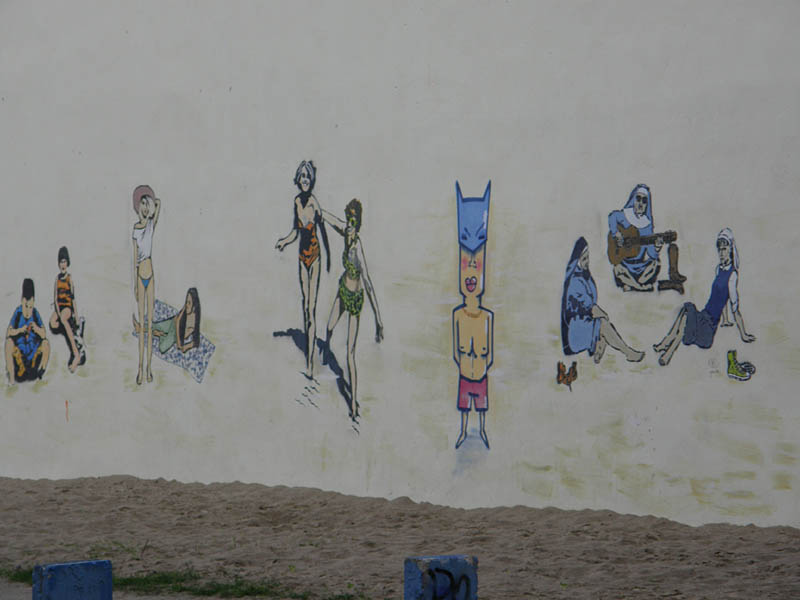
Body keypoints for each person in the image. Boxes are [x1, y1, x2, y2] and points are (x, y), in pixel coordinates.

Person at [654, 228, 755, 366]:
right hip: (704, 316)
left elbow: (735, 307)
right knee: (686, 309)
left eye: (724, 249)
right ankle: (666, 345)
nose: (721, 253)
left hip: (708, 327)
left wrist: (743, 335)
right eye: (719, 250)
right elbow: (722, 298)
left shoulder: (732, 275)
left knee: (688, 311)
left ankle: (668, 350)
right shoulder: (719, 269)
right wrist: (725, 319)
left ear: (731, 250)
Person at [322, 198, 383, 421]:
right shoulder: (344, 231)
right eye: (348, 220)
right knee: (329, 327)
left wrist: (378, 320)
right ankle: (326, 348)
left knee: (350, 353)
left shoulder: (358, 250)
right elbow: (329, 218)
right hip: (343, 291)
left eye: (353, 222)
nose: (349, 225)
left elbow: (368, 284)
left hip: (355, 300)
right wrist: (317, 207)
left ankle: (354, 403)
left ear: (358, 225)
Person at [276, 161, 330, 379]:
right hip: (302, 258)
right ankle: (309, 355)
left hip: (315, 257)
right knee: (304, 307)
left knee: (311, 309)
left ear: (312, 180)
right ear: (298, 180)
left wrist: (328, 258)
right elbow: (295, 232)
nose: (305, 180)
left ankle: (310, 365)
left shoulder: (314, 203)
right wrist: (284, 241)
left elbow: (323, 230)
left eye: (308, 176)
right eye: (302, 176)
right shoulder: (297, 202)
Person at [452, 182, 494, 449]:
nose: (470, 270)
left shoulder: (487, 317)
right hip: (466, 372)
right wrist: (465, 364)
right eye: (466, 263)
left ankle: (482, 430)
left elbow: (491, 353)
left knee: (481, 406)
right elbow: (454, 352)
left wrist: (482, 364)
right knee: (464, 407)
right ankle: (463, 431)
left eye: (476, 263)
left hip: (479, 372)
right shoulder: (458, 315)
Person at [561, 237, 645, 363]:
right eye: (584, 259)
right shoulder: (575, 281)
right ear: (577, 261)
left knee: (603, 324)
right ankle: (627, 352)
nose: (587, 262)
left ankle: (600, 343)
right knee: (604, 324)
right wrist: (604, 315)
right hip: (576, 330)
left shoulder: (584, 276)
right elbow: (589, 307)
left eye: (588, 258)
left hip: (586, 323)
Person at [608, 184, 685, 292]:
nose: (640, 203)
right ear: (633, 199)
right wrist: (616, 233)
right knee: (618, 269)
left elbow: (651, 254)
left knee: (655, 264)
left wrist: (657, 248)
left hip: (641, 267)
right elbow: (612, 217)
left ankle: (633, 285)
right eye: (638, 199)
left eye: (644, 201)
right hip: (625, 265)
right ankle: (640, 287)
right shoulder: (624, 216)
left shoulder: (647, 225)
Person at [132, 185, 161, 385]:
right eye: (141, 204)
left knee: (150, 325)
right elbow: (135, 259)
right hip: (140, 275)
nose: (144, 207)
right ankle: (140, 369)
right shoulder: (136, 229)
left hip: (150, 275)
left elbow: (159, 203)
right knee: (142, 325)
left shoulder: (151, 224)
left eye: (146, 203)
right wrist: (135, 284)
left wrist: (152, 203)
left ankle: (149, 369)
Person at [5, 278, 50, 383]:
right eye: (26, 306)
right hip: (20, 360)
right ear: (22, 301)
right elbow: (9, 332)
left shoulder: (35, 313)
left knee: (46, 343)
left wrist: (37, 329)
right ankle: (12, 379)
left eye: (30, 307)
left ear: (33, 303)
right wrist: (20, 330)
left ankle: (40, 373)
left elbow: (44, 334)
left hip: (33, 360)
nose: (28, 311)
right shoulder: (18, 313)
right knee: (8, 343)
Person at [49, 246, 86, 372]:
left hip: (67, 307)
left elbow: (73, 299)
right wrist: (57, 312)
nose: (63, 265)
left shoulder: (70, 279)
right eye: (61, 262)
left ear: (68, 263)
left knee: (64, 319)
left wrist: (75, 315)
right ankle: (72, 330)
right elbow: (55, 298)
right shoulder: (57, 278)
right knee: (53, 323)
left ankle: (76, 354)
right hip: (60, 307)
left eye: (64, 262)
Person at [133, 288, 201, 355]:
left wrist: (186, 346)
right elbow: (177, 320)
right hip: (173, 322)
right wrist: (179, 343)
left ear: (194, 305)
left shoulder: (194, 323)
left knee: (162, 348)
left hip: (174, 333)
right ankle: (139, 328)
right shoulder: (186, 308)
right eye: (186, 302)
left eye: (189, 303)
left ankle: (160, 335)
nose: (186, 305)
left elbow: (190, 342)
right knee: (157, 325)